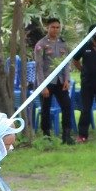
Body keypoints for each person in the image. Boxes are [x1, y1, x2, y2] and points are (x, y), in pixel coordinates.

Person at [34, 17, 74, 145]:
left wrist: (67, 79)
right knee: (45, 109)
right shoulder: (41, 44)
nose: (55, 30)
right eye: (53, 27)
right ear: (47, 28)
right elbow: (38, 66)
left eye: (58, 27)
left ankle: (66, 135)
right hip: (47, 81)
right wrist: (42, 86)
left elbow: (66, 63)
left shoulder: (63, 43)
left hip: (61, 81)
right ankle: (47, 136)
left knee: (67, 106)